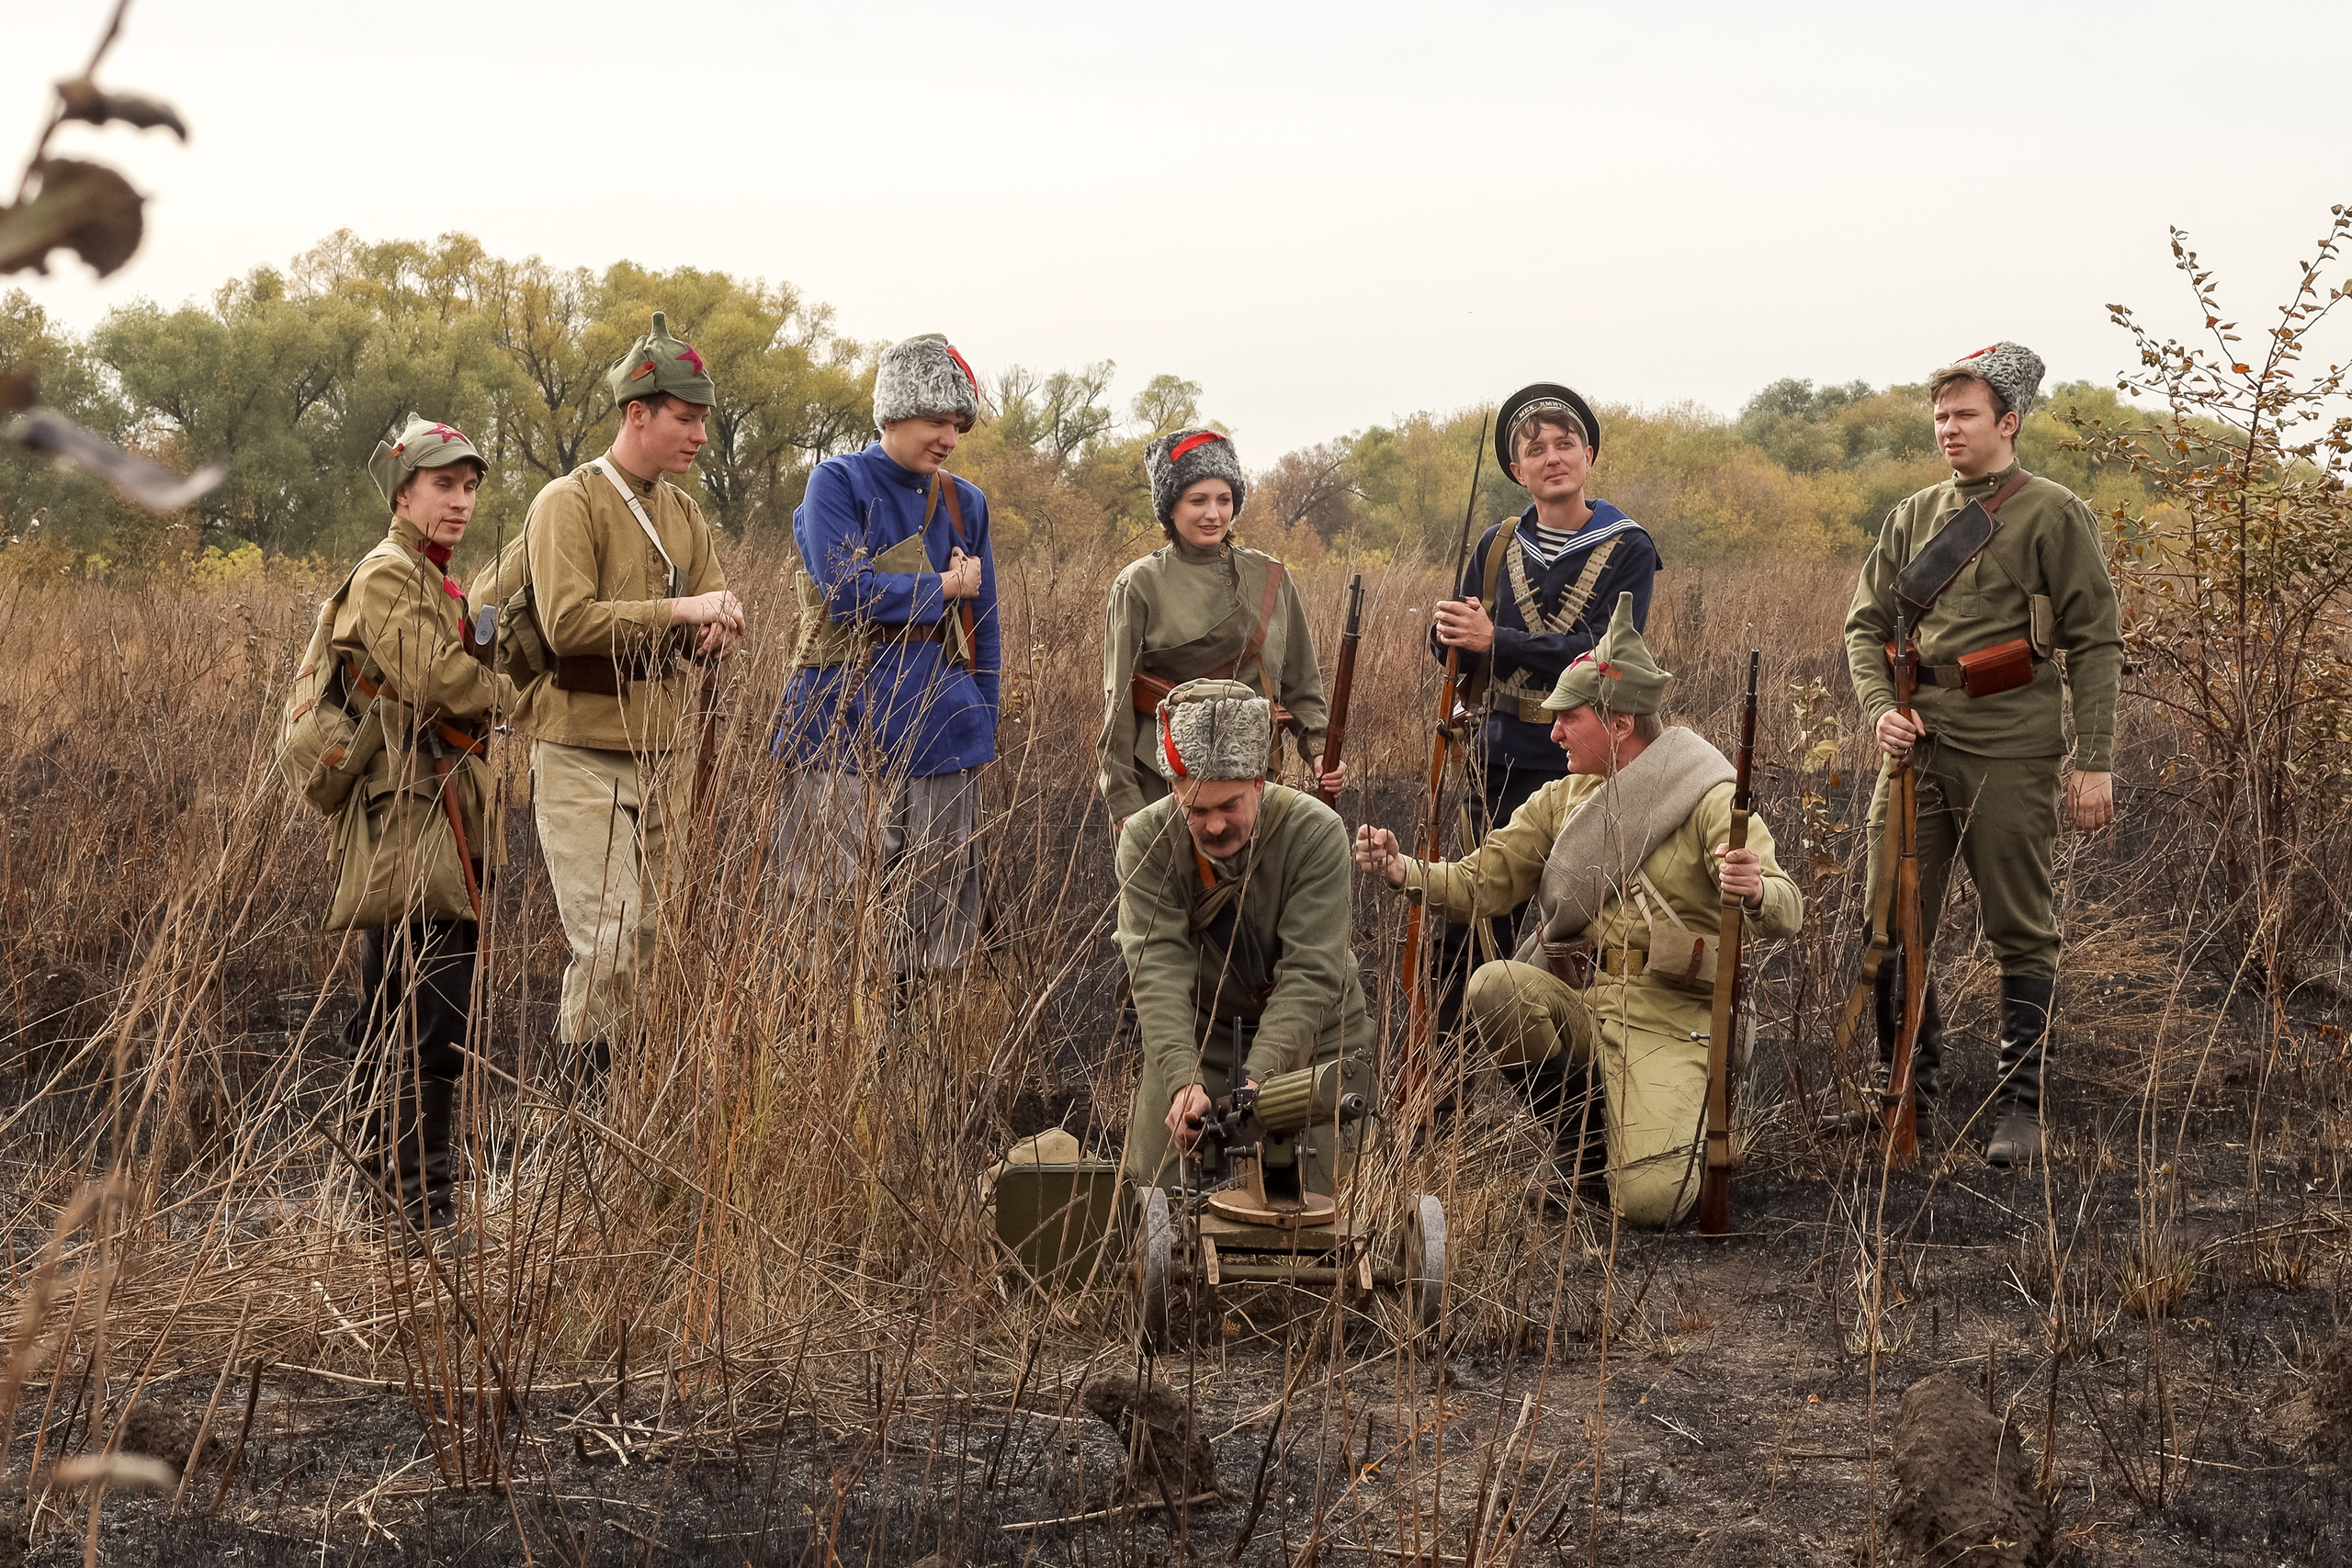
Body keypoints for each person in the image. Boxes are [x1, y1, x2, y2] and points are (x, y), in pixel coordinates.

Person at [1356, 594, 1802, 1226]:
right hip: (1586, 1001)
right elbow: (1486, 879)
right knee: (1496, 987)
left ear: (1618, 722)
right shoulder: (1564, 797)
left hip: (1672, 1014)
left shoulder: (1710, 796)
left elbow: (1788, 908)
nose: (1554, 731)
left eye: (1569, 718)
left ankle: (1662, 1124)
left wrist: (1755, 888)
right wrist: (1405, 870)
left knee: (1655, 1205)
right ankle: (1588, 1152)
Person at [1842, 342, 2122, 1166]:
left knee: (2020, 928)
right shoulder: (1912, 516)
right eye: (1940, 416)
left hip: (2009, 742)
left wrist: (2094, 757)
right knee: (1891, 920)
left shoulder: (2052, 513)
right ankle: (1907, 1097)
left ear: (2009, 421)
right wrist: (1878, 713)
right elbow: (1864, 627)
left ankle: (2021, 1108)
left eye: (1965, 415)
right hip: (1915, 746)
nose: (1948, 429)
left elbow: (2096, 639)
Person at [510, 311, 741, 1083]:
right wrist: (683, 612)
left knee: (651, 941)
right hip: (579, 749)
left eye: (704, 419)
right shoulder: (565, 503)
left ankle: (628, 1103)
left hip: (664, 748)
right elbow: (567, 622)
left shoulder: (683, 513)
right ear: (637, 412)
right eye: (685, 417)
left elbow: (712, 600)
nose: (699, 435)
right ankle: (582, 1108)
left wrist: (718, 625)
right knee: (606, 942)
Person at [329, 415, 514, 1243]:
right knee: (431, 1011)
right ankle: (424, 1208)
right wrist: (515, 687)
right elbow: (437, 681)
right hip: (410, 811)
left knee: (393, 1002)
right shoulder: (386, 575)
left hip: (437, 806)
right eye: (444, 484)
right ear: (403, 493)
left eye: (470, 486)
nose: (461, 500)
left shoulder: (433, 579)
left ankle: (386, 1196)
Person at [1428, 383, 1659, 1027]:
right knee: (1469, 923)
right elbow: (1455, 649)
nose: (1552, 457)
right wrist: (1449, 634)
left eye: (1565, 444)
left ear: (1589, 456)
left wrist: (1495, 637)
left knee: (1583, 928)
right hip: (1497, 757)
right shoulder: (1496, 544)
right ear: (1516, 469)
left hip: (1586, 763)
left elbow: (1608, 652)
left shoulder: (1628, 546)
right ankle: (1443, 1094)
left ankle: (1580, 1087)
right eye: (1535, 449)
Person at [772, 333, 1001, 978]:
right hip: (836, 729)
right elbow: (847, 593)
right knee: (828, 916)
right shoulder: (835, 483)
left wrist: (983, 718)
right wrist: (945, 586)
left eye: (957, 424)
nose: (949, 438)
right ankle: (828, 1066)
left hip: (943, 734)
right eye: (936, 420)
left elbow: (985, 627)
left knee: (934, 923)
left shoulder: (966, 503)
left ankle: (913, 1067)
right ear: (893, 414)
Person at [1117, 680, 1368, 1191]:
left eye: (1228, 805)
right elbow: (1156, 970)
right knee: (1149, 1205)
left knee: (1313, 1213)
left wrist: (1259, 1086)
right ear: (1173, 793)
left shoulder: (1316, 834)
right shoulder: (1145, 840)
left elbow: (1309, 976)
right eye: (1196, 810)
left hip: (1315, 1037)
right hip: (1205, 1034)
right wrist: (1183, 1082)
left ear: (1259, 781)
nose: (1212, 826)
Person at [1098, 428, 1341, 828]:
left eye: (1224, 500)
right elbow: (1118, 705)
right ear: (1170, 507)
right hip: (1164, 789)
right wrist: (1124, 801)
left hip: (1253, 782)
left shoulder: (1270, 576)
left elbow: (1303, 687)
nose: (1214, 514)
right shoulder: (1138, 584)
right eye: (1198, 500)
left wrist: (1318, 751)